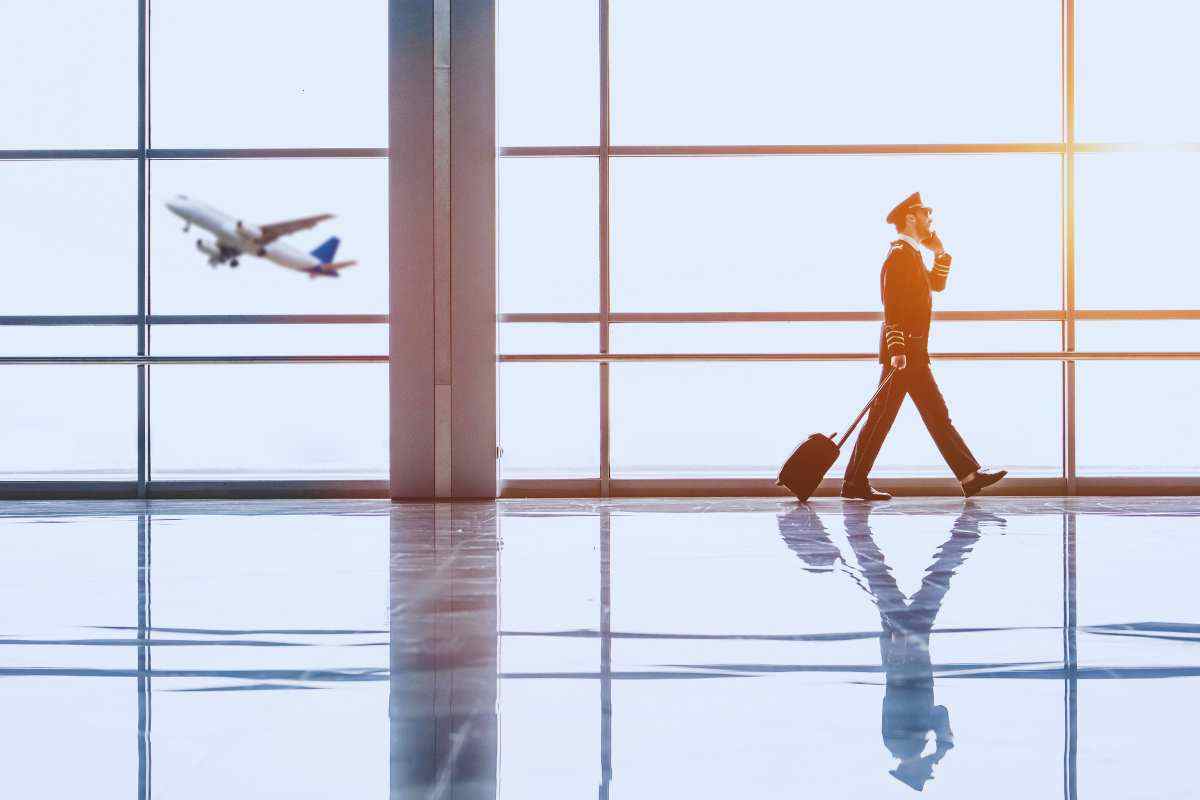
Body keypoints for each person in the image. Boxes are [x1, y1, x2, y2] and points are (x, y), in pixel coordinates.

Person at [840, 192, 1008, 501]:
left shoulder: (912, 253)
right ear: (910, 217)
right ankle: (854, 482)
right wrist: (897, 350)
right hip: (905, 355)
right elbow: (891, 305)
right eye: (925, 213)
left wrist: (940, 251)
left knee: (928, 413)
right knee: (893, 416)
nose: (931, 219)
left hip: (912, 353)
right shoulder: (899, 254)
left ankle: (968, 476)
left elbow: (937, 284)